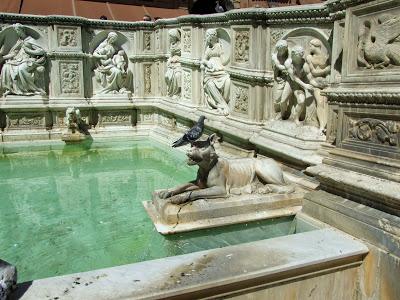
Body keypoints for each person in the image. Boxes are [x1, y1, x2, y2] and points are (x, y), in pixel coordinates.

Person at [0, 23, 46, 96]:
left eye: (18, 30)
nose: (17, 32)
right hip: (19, 60)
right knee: (6, 67)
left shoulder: (30, 40)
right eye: (16, 31)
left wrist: (28, 50)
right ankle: (11, 89)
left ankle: (33, 89)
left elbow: (41, 51)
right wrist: (3, 58)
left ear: (23, 30)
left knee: (21, 69)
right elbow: (14, 53)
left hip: (30, 60)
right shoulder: (19, 41)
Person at [282, 45, 314, 125]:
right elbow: (294, 78)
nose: (301, 56)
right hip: (290, 83)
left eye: (302, 54)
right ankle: (283, 115)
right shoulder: (288, 63)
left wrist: (315, 84)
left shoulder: (304, 63)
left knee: (301, 101)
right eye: (299, 54)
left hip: (299, 85)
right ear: (293, 53)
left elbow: (309, 76)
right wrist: (305, 85)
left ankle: (296, 118)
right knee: (283, 101)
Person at [201, 29, 230, 115]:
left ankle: (224, 102)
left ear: (212, 37)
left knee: (228, 80)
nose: (206, 38)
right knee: (210, 84)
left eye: (207, 36)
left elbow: (223, 60)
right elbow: (204, 59)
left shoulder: (218, 46)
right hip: (210, 73)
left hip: (219, 70)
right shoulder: (208, 48)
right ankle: (222, 105)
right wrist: (207, 63)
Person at [304, 38, 330, 133]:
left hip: (326, 83)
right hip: (315, 83)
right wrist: (325, 70)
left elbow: (330, 70)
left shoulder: (326, 56)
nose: (309, 47)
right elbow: (313, 72)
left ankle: (326, 125)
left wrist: (328, 79)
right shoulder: (309, 57)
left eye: (310, 45)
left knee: (325, 102)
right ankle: (322, 126)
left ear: (316, 46)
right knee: (319, 102)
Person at [272, 40, 290, 119]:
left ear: (286, 49)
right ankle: (278, 112)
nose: (280, 52)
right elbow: (277, 67)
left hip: (290, 79)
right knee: (276, 100)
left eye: (282, 50)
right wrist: (276, 77)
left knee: (284, 100)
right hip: (281, 79)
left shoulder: (290, 53)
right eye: (279, 50)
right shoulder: (275, 56)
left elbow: (289, 67)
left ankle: (282, 115)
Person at [165, 29, 182, 98]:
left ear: (175, 36)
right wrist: (169, 61)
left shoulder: (181, 45)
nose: (170, 38)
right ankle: (171, 92)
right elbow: (170, 56)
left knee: (178, 75)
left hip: (180, 64)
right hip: (172, 64)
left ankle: (177, 93)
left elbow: (185, 56)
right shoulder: (172, 45)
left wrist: (178, 59)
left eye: (171, 37)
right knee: (167, 76)